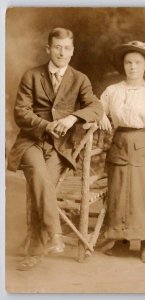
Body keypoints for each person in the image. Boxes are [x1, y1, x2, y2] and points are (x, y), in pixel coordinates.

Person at [7, 27, 103, 270]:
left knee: (43, 184)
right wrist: (46, 126)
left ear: (73, 51)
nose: (62, 52)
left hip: (61, 147)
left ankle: (36, 248)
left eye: (67, 48)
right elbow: (20, 112)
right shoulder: (32, 75)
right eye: (57, 47)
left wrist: (72, 119)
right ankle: (54, 235)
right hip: (31, 140)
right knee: (40, 177)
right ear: (48, 49)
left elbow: (96, 107)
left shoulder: (80, 79)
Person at [99, 40, 145, 263]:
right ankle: (122, 241)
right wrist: (101, 116)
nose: (133, 67)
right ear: (124, 65)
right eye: (129, 62)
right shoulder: (112, 91)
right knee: (120, 194)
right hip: (120, 144)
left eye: (138, 62)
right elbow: (97, 110)